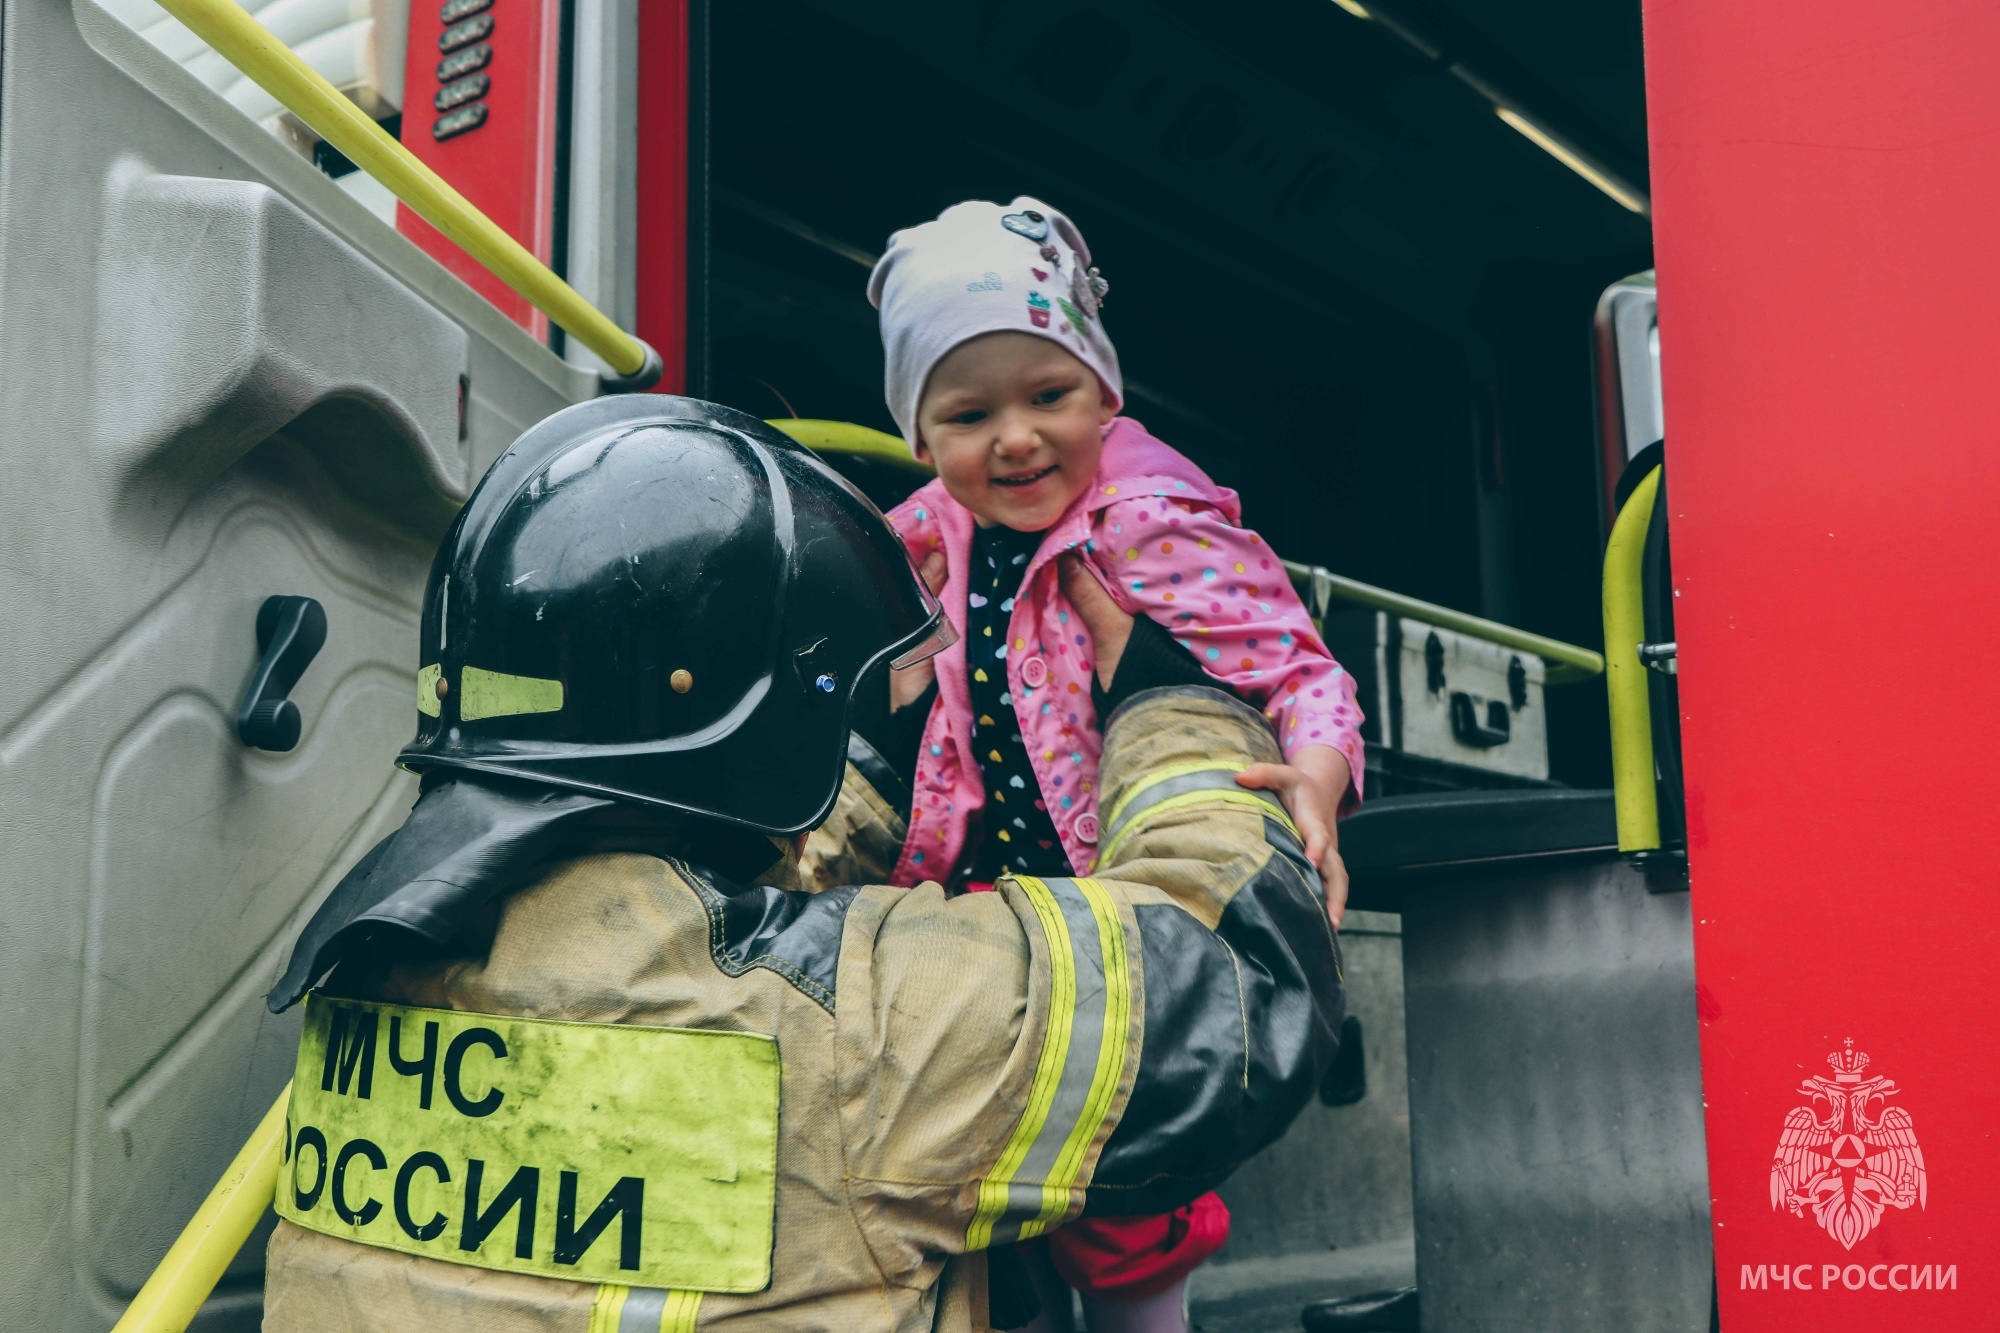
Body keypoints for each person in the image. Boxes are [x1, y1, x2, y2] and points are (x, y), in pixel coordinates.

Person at [257, 396, 1345, 1332]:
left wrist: (861, 762)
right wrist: (1173, 702)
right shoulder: (865, 1034)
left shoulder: (366, 957)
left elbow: (708, 933)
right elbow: (1241, 978)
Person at [866, 196, 1365, 1323]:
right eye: (966, 412)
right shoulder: (918, 539)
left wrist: (1319, 776)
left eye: (1049, 396)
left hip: (1125, 904)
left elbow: (1300, 674)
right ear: (918, 435)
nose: (1015, 438)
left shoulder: (1146, 521)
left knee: (1127, 1183)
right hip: (982, 903)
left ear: (1105, 391)